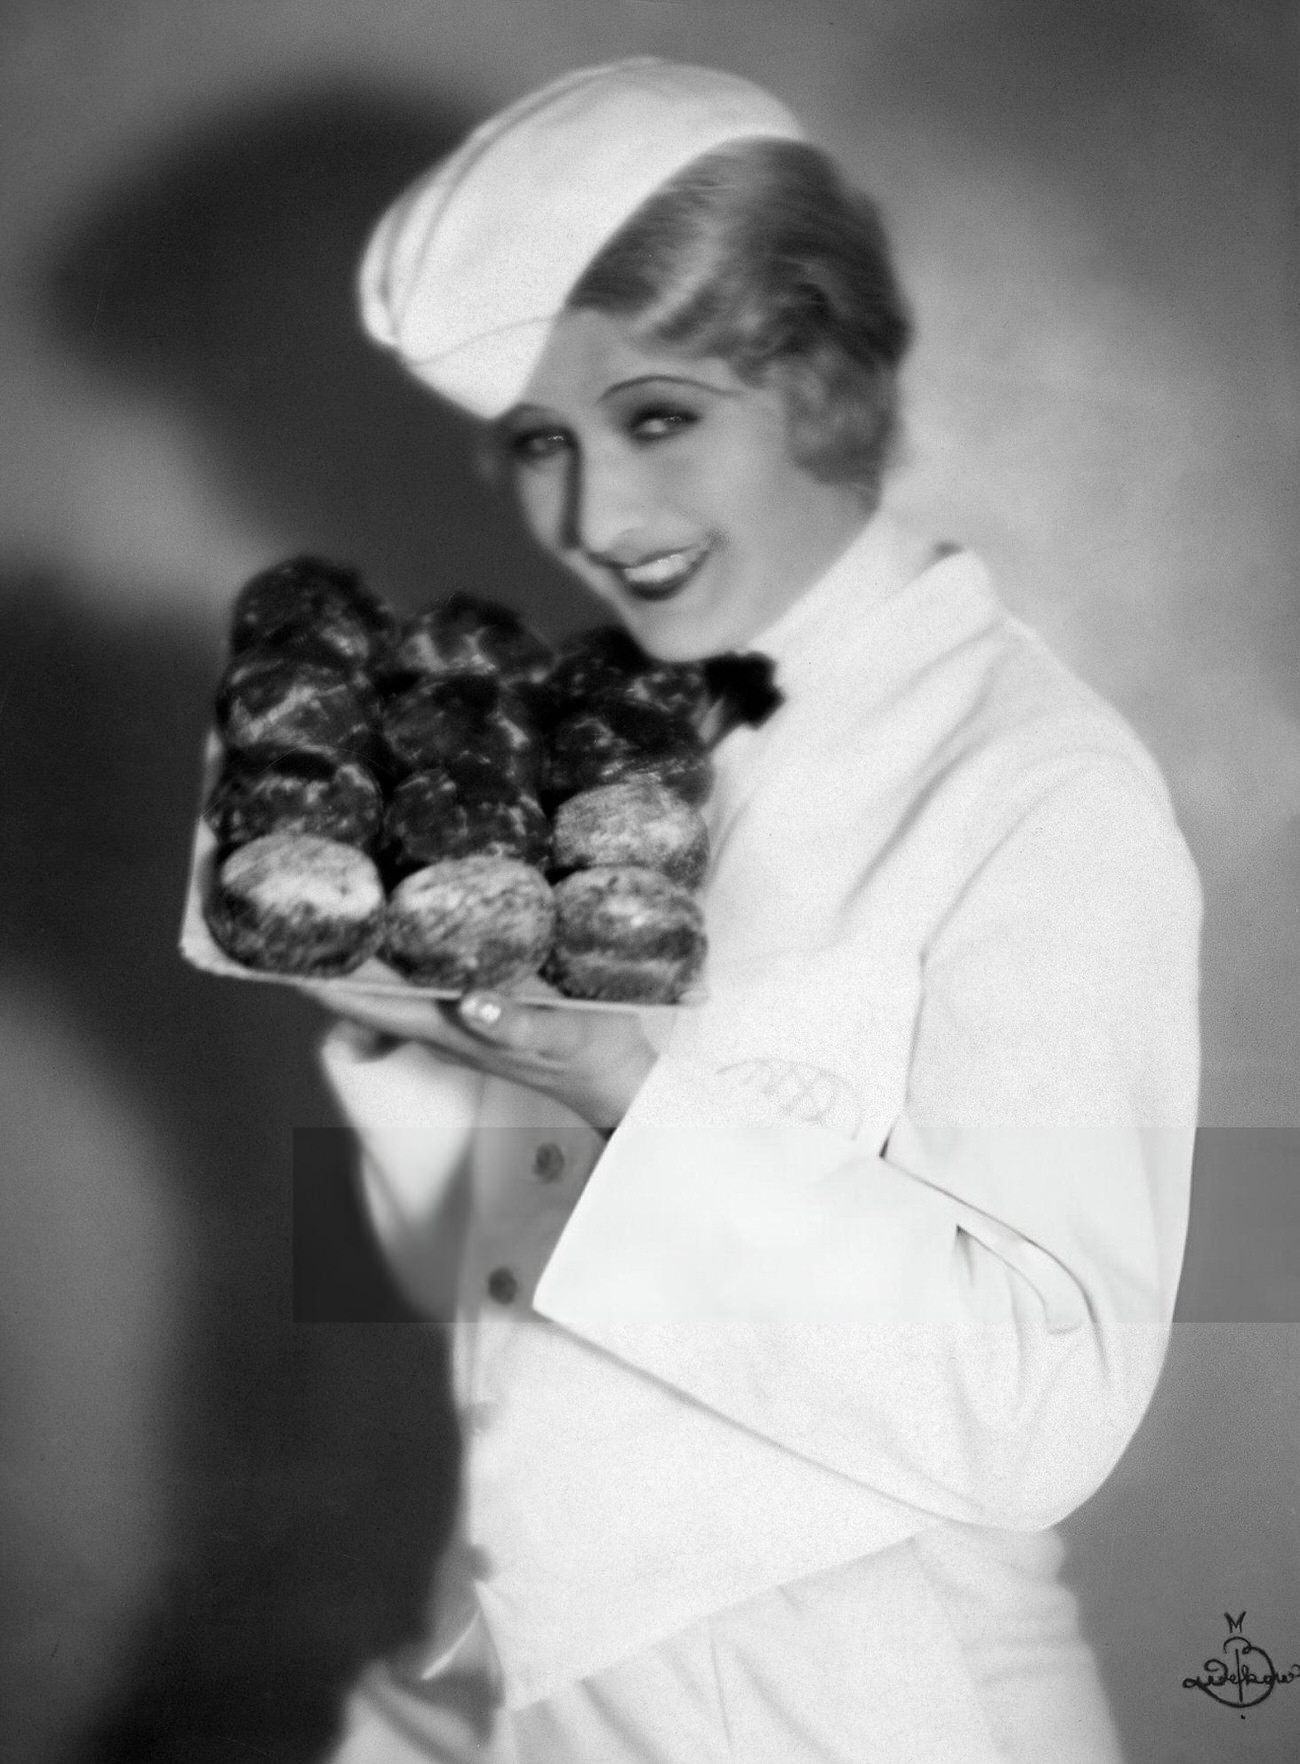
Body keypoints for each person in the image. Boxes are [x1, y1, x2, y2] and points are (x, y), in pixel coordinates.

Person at [305, 57, 1202, 1763]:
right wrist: (391, 1019)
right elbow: (528, 1360)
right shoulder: (584, 763)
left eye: (654, 419)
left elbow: (1042, 1405)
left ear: (817, 369)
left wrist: (629, 1100)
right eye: (544, 443)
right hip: (527, 1689)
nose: (591, 519)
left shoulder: (1033, 786)